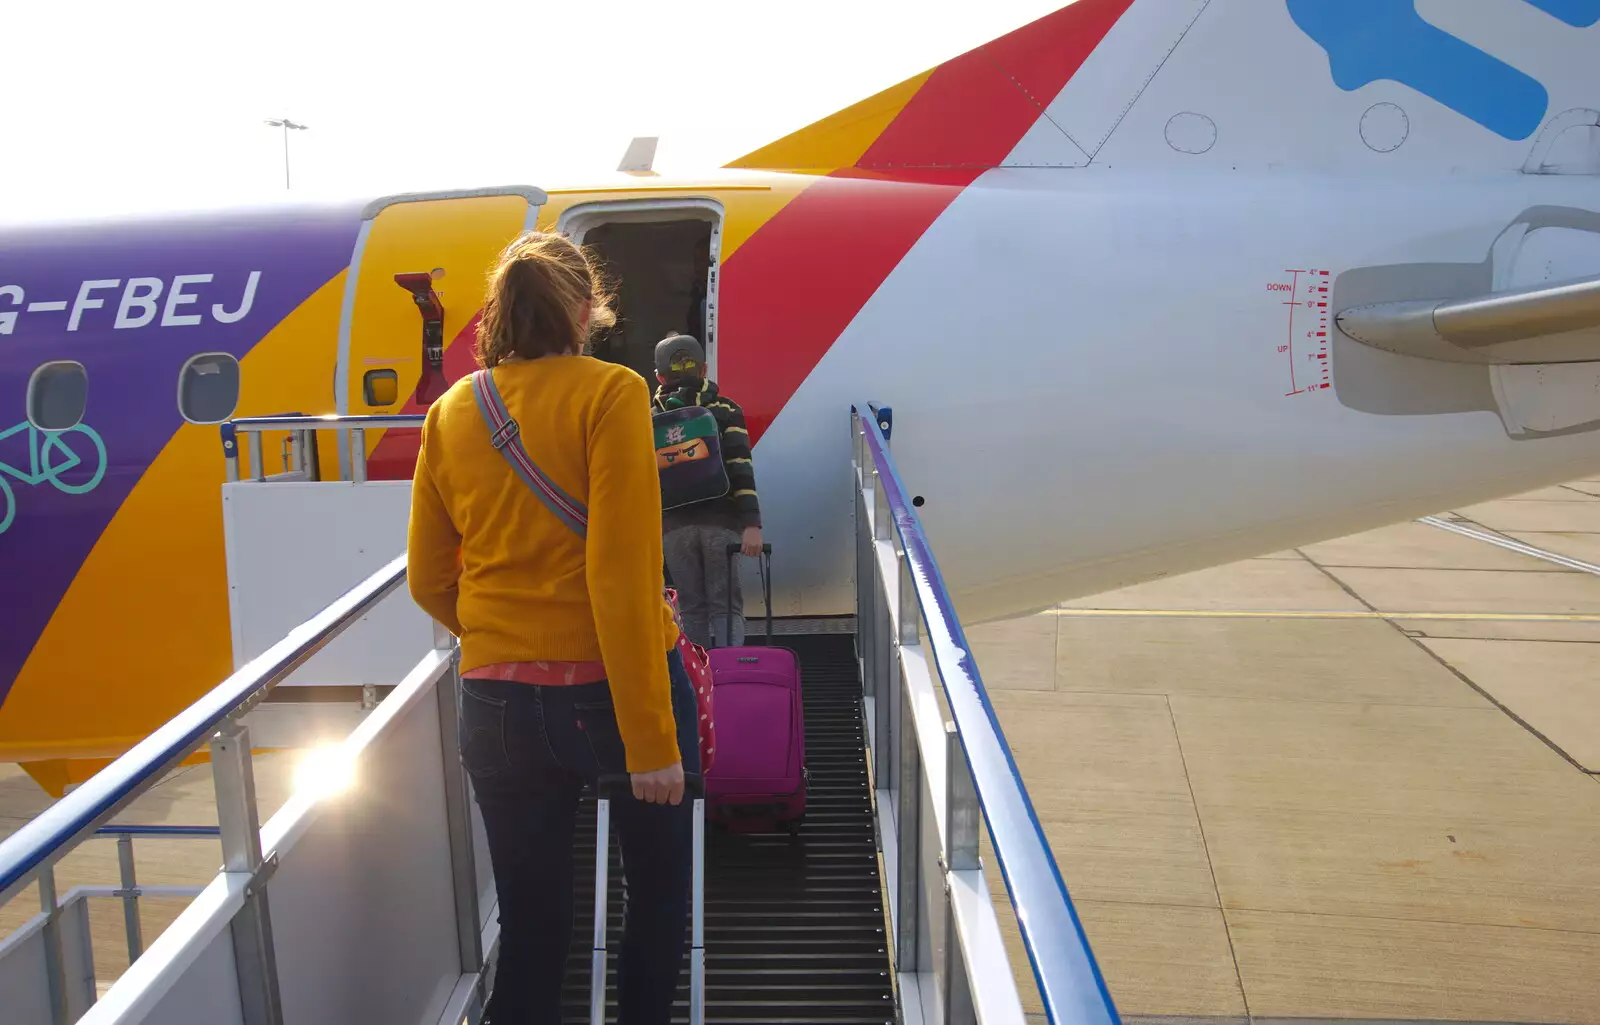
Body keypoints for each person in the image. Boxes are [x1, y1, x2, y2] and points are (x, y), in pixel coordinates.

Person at [408, 231, 700, 1025]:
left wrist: (503, 639)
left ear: (497, 313)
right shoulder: (611, 392)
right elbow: (621, 573)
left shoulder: (449, 411)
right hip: (612, 695)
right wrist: (649, 741)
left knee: (533, 927)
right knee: (657, 899)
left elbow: (428, 578)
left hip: (495, 705)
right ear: (584, 309)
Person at [652, 333, 762, 648]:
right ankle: (730, 680)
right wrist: (751, 523)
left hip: (673, 528)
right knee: (726, 605)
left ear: (660, 377)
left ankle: (699, 679)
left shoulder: (647, 417)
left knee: (690, 607)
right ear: (703, 370)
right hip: (721, 521)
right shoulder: (726, 409)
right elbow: (741, 466)